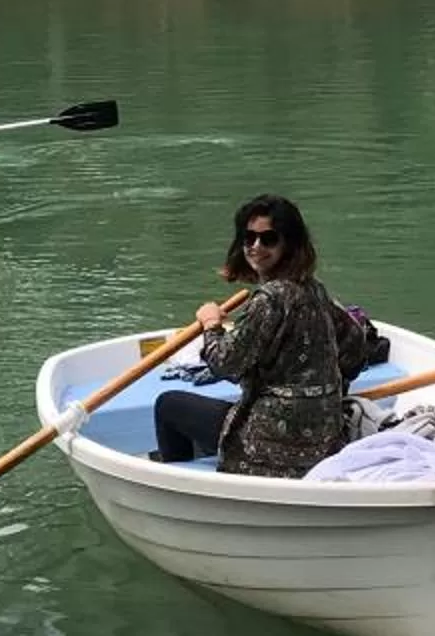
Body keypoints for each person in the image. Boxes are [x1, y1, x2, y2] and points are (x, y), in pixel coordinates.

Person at [152, 195, 359, 476]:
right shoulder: (314, 289)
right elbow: (355, 345)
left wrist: (211, 324)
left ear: (290, 243)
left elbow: (225, 363)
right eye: (249, 238)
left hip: (272, 443)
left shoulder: (269, 299)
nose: (256, 246)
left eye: (268, 238)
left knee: (169, 405)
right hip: (325, 436)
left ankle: (178, 486)